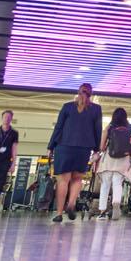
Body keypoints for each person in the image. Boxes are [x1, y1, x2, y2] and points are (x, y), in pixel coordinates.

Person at [47, 82, 102, 222]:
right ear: (91, 94)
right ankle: (71, 203)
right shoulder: (96, 109)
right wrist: (96, 150)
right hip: (83, 149)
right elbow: (98, 131)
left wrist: (51, 146)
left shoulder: (67, 107)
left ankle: (59, 213)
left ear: (78, 92)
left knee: (63, 180)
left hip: (64, 146)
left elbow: (58, 127)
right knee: (77, 178)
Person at [94, 107, 131, 220]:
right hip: (124, 159)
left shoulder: (110, 127)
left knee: (105, 184)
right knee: (117, 183)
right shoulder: (130, 127)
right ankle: (116, 202)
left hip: (109, 158)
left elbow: (102, 147)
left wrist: (102, 148)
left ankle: (102, 212)